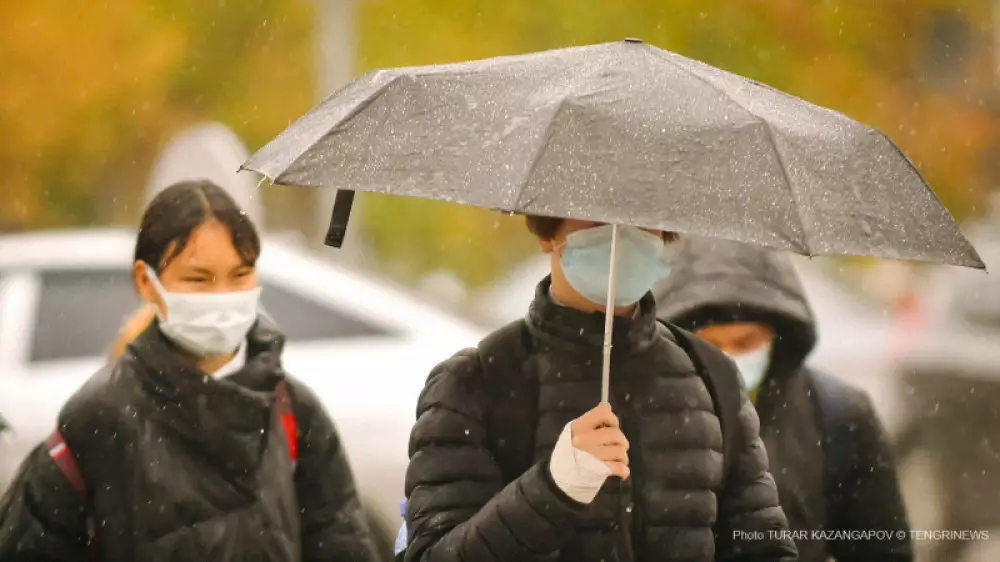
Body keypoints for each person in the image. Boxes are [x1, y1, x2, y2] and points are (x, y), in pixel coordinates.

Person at [0, 180, 379, 562]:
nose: (223, 296)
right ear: (146, 282)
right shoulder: (98, 418)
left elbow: (343, 545)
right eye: (198, 279)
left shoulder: (294, 412)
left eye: (240, 275)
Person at [401, 217, 798, 562]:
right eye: (597, 220)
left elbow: (761, 545)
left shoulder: (711, 375)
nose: (621, 236)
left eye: (640, 221)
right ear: (548, 233)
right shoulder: (475, 382)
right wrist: (551, 490)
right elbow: (436, 554)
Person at [655, 236, 912, 562]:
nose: (728, 359)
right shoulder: (634, 409)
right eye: (711, 345)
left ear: (777, 336)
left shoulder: (838, 415)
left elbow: (882, 550)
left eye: (746, 342)